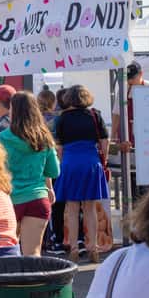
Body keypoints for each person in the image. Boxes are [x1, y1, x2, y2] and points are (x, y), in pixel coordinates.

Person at [0, 92, 60, 256]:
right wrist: (49, 187)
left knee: (8, 253)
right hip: (37, 198)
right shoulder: (44, 138)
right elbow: (54, 171)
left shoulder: (2, 138)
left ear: (14, 111)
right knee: (33, 254)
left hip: (10, 200)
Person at [54, 85, 109, 264]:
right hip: (91, 162)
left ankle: (74, 248)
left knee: (72, 208)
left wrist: (62, 163)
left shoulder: (62, 118)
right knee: (90, 208)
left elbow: (59, 147)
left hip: (70, 163)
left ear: (68, 99)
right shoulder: (95, 115)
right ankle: (93, 247)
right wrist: (104, 160)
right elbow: (104, 142)